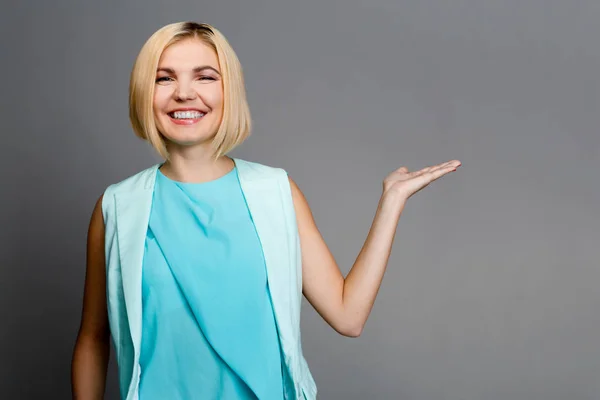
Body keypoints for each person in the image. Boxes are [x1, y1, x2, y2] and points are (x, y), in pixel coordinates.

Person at [70, 21, 461, 400]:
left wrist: (391, 202)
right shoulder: (118, 206)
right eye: (164, 78)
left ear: (229, 91)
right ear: (144, 92)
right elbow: (93, 337)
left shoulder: (275, 192)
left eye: (205, 77)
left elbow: (348, 316)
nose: (184, 93)